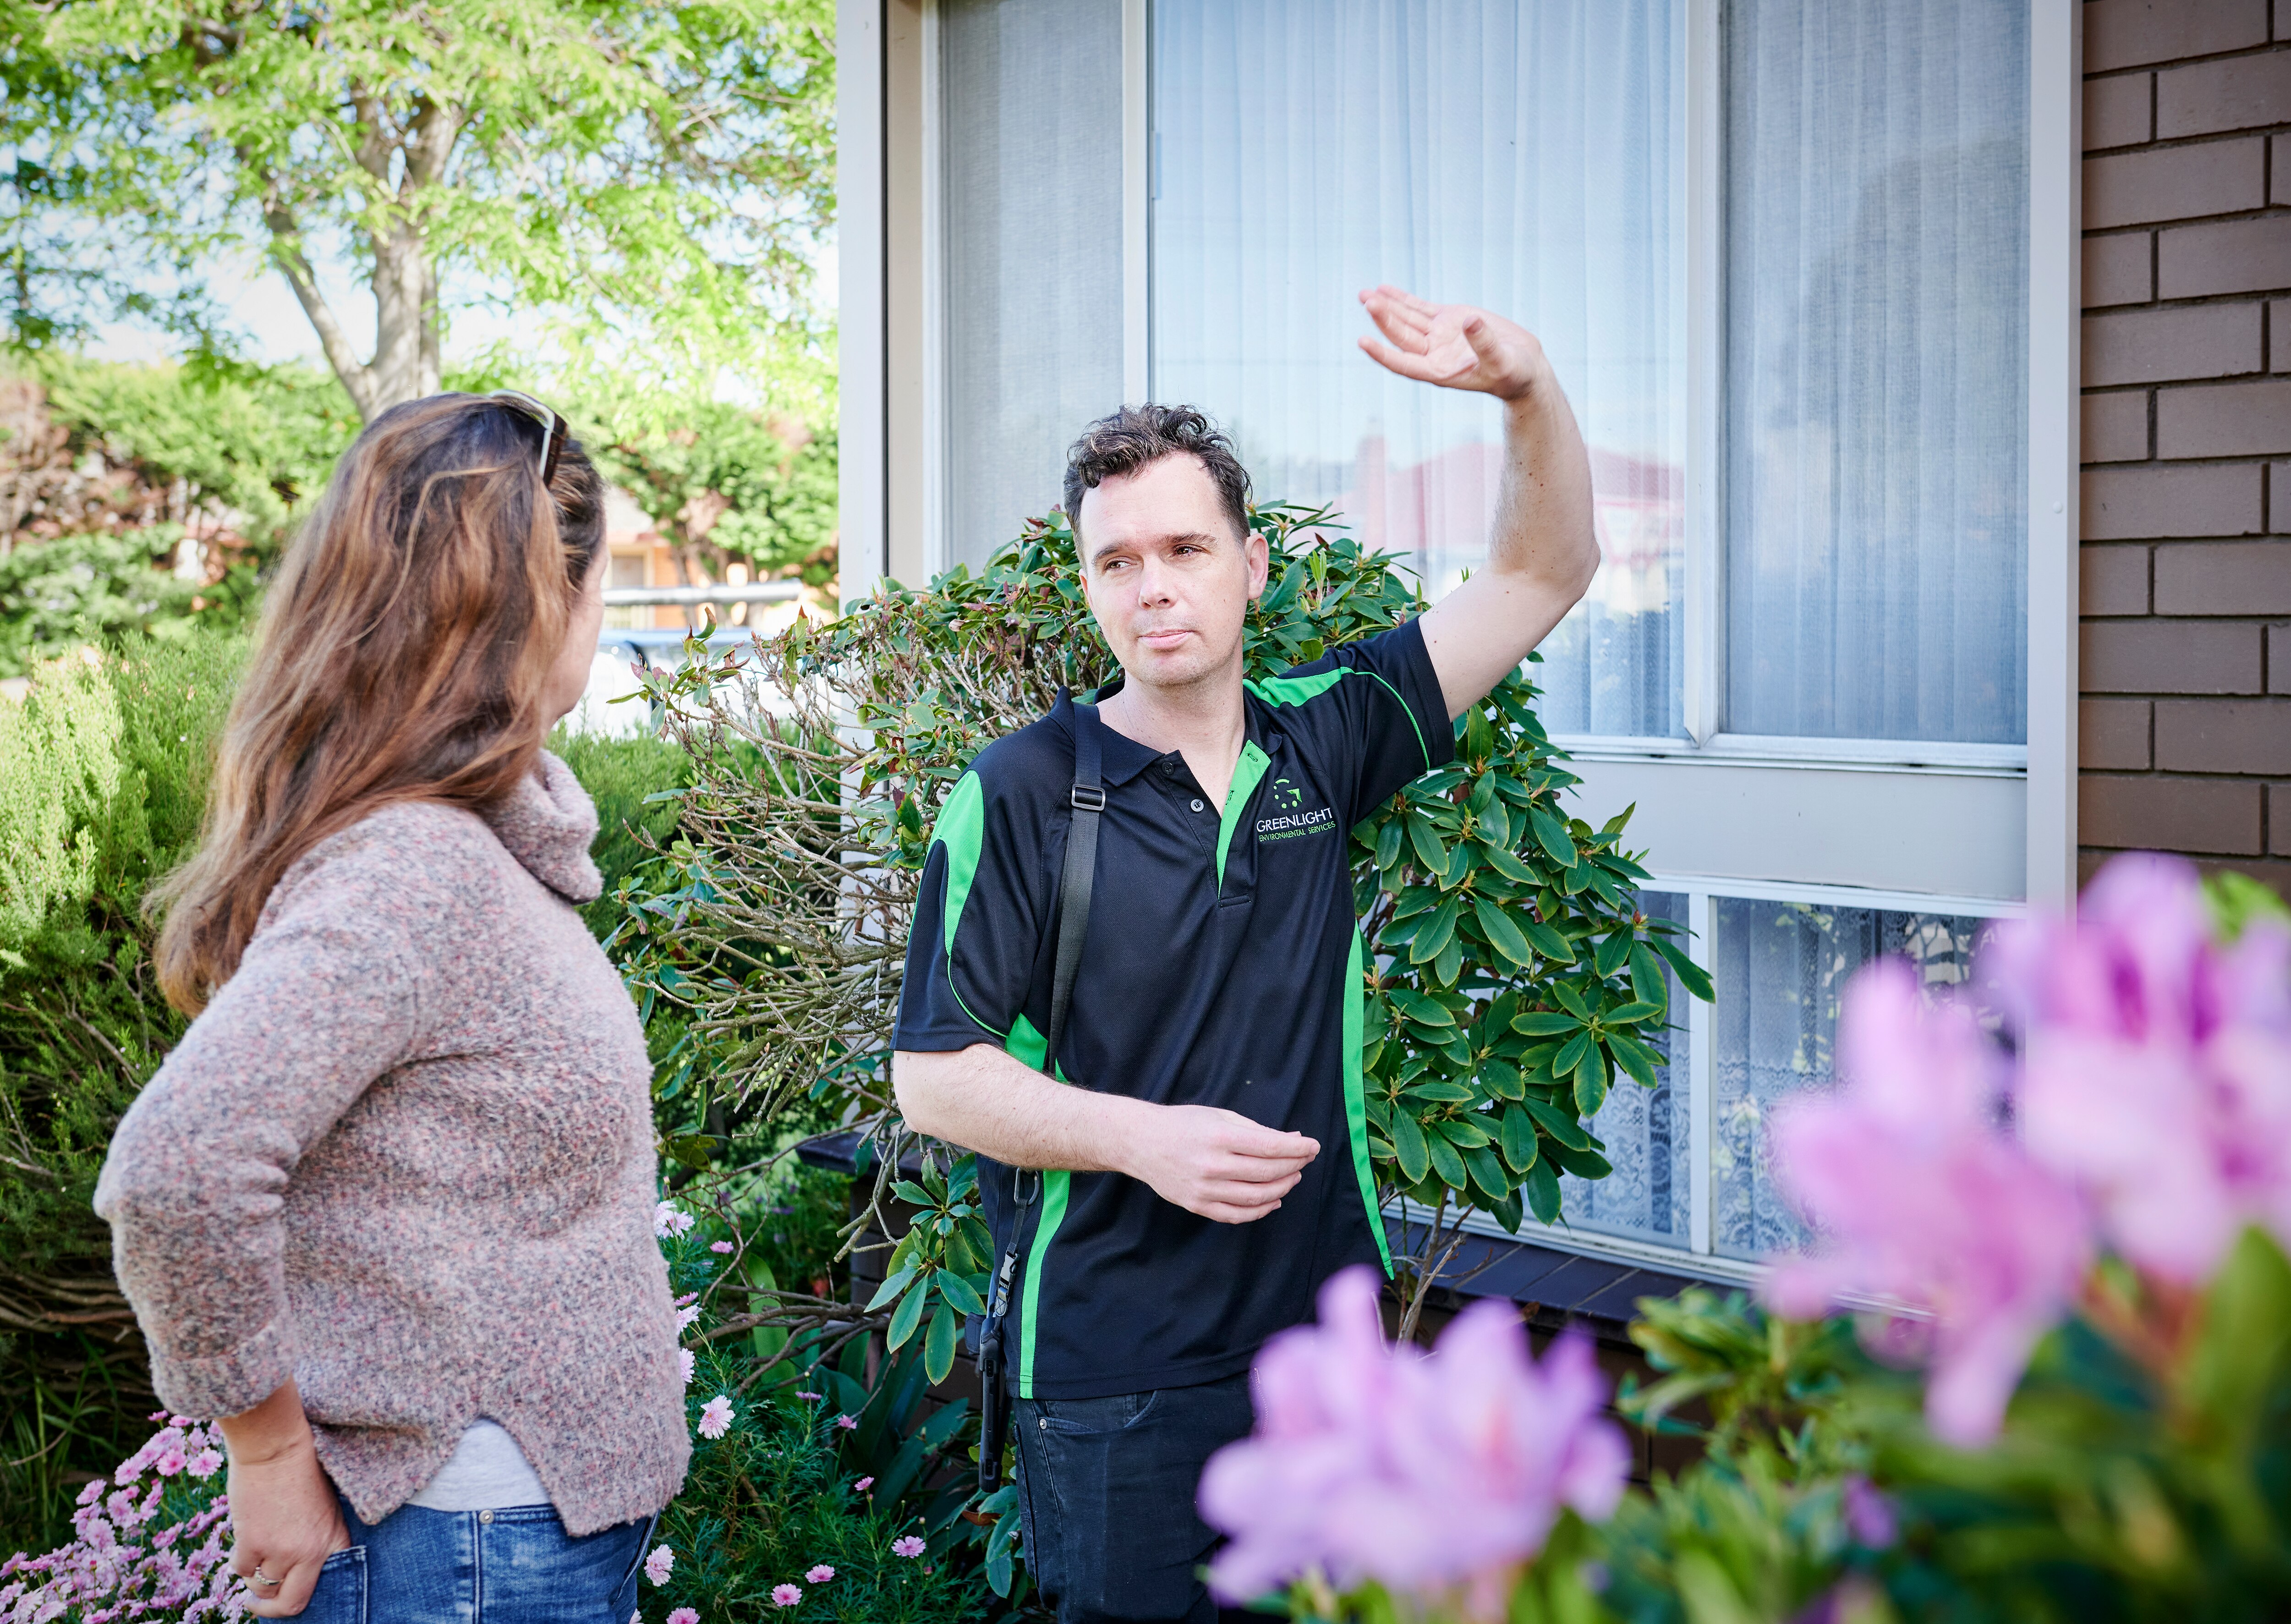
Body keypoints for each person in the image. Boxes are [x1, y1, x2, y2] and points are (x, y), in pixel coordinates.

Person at [891, 285, 1601, 1624]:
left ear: (1252, 563)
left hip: (1319, 1352)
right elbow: (936, 1077)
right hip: (1114, 1372)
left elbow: (1538, 575)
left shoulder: (1328, 736)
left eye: (1184, 549)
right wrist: (1145, 1139)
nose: (1153, 586)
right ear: (1088, 584)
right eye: (1117, 562)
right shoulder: (1025, 792)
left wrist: (1527, 393)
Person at [95, 393, 688, 1623]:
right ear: (542, 607)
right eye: (595, 587)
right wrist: (262, 1450)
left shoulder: (463, 853)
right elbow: (181, 1166)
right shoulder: (415, 872)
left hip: (497, 1544)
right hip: (463, 1553)